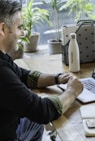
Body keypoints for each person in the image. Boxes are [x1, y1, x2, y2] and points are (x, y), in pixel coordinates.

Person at [0, 0, 83, 141]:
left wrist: (58, 78)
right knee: (38, 115)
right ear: (2, 29)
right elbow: (42, 111)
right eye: (19, 27)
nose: (23, 32)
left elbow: (24, 75)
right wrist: (73, 91)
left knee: (33, 119)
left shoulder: (3, 60)